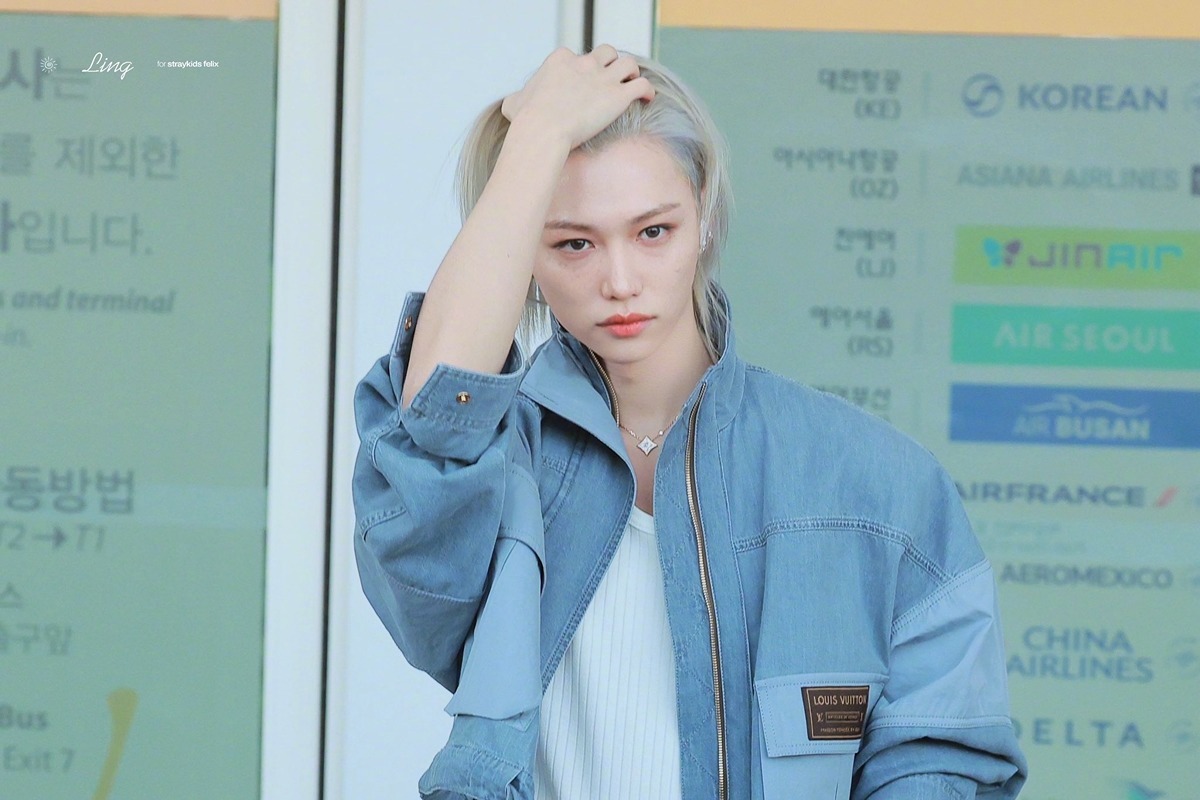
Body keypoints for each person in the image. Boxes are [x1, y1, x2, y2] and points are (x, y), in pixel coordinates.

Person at [352, 46, 1027, 800]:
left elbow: (943, 759)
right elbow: (434, 430)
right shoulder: (496, 470)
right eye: (573, 242)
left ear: (702, 216)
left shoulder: (879, 483)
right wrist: (534, 138)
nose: (619, 281)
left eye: (653, 232)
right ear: (524, 254)